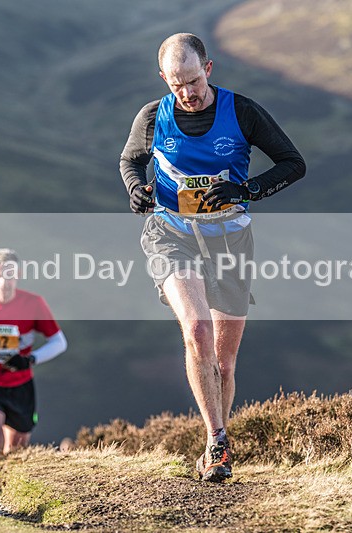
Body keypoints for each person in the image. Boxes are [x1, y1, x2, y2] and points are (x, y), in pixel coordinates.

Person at [120, 33, 306, 481]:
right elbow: (130, 162)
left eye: (192, 80)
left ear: (209, 68)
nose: (186, 93)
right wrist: (136, 191)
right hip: (172, 234)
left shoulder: (242, 111)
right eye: (175, 84)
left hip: (230, 240)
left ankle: (213, 443)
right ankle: (218, 440)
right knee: (198, 330)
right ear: (163, 79)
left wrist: (246, 190)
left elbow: (292, 163)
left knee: (224, 362)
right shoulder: (152, 116)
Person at [0, 248, 68, 459]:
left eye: (9, 276)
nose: (3, 283)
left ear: (19, 274)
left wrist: (29, 360)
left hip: (20, 384)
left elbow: (59, 342)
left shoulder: (34, 304)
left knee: (16, 451)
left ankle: (9, 489)